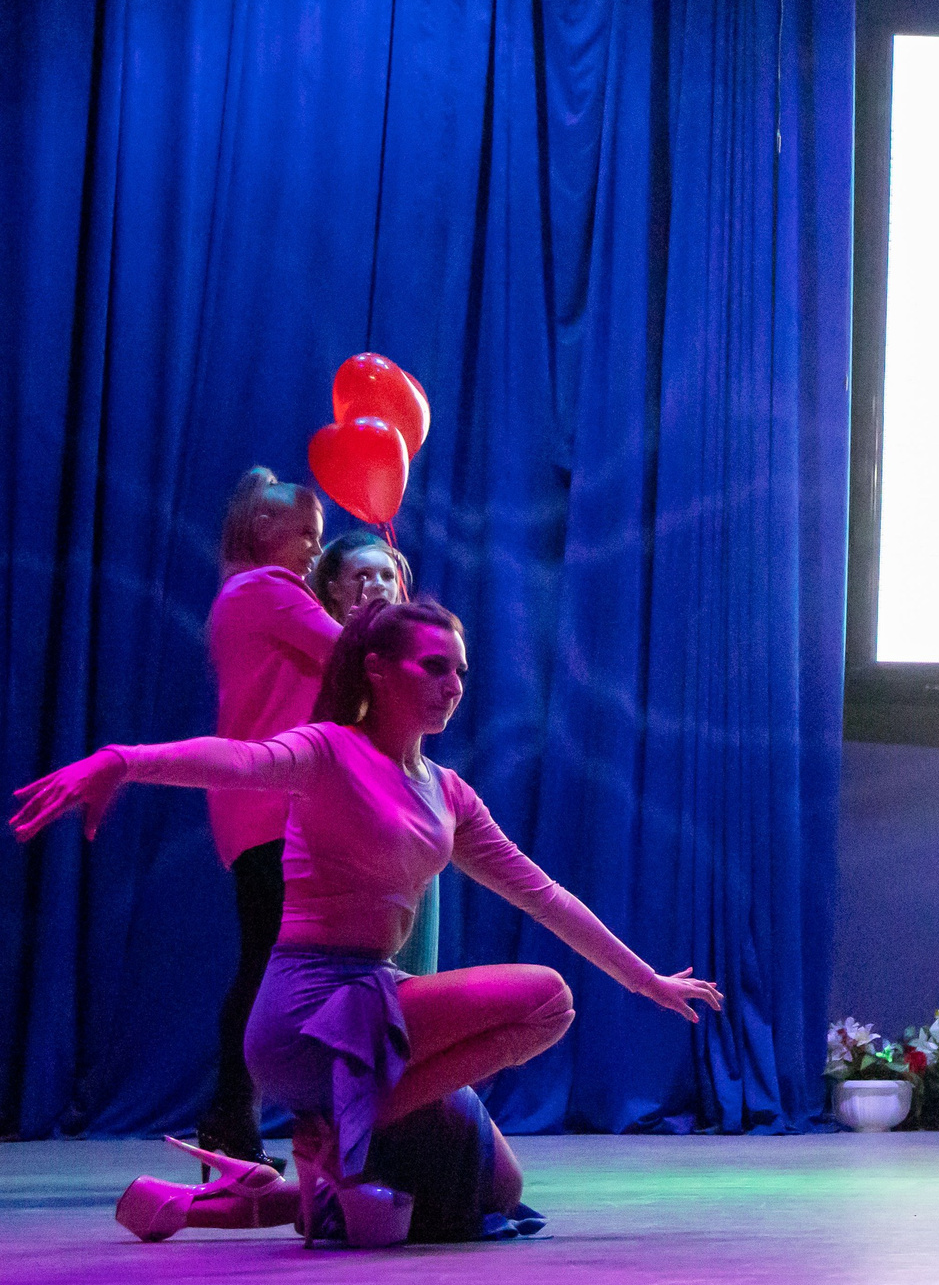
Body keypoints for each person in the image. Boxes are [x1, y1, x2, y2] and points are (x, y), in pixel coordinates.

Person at [13, 600, 723, 1245]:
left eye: (461, 671)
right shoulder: (327, 749)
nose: (454, 684)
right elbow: (235, 761)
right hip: (307, 1015)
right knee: (548, 998)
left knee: (491, 1185)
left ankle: (228, 1199)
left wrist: (646, 979)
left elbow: (544, 894)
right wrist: (123, 760)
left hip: (376, 1012)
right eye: (435, 667)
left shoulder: (447, 792)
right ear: (377, 671)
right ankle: (343, 1126)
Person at [198, 468, 339, 1169]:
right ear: (265, 531)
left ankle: (233, 1115)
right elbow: (352, 655)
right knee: (267, 965)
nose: (317, 550)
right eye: (307, 535)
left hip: (250, 804)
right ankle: (233, 1114)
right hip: (270, 806)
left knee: (262, 959)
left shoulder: (237, 596)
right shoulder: (268, 591)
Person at [309, 529, 440, 978]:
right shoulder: (314, 647)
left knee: (412, 977)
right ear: (334, 589)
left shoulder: (410, 655)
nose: (377, 585)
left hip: (410, 822)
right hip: (349, 833)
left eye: (386, 575)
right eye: (362, 575)